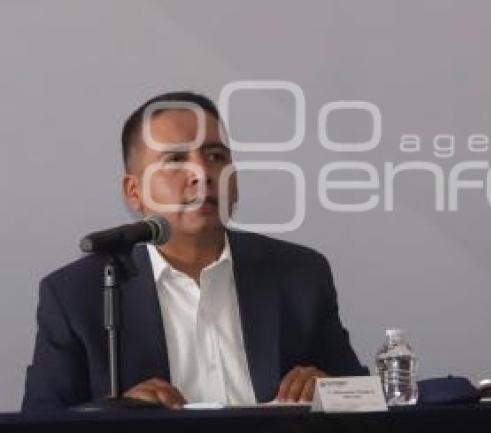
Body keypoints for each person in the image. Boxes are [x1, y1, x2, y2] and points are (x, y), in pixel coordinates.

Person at [23, 91, 366, 411]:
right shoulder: (76, 295)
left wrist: (330, 391)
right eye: (175, 159)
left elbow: (366, 403)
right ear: (134, 191)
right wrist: (116, 415)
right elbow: (41, 423)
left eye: (216, 156)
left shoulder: (300, 275)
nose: (202, 174)